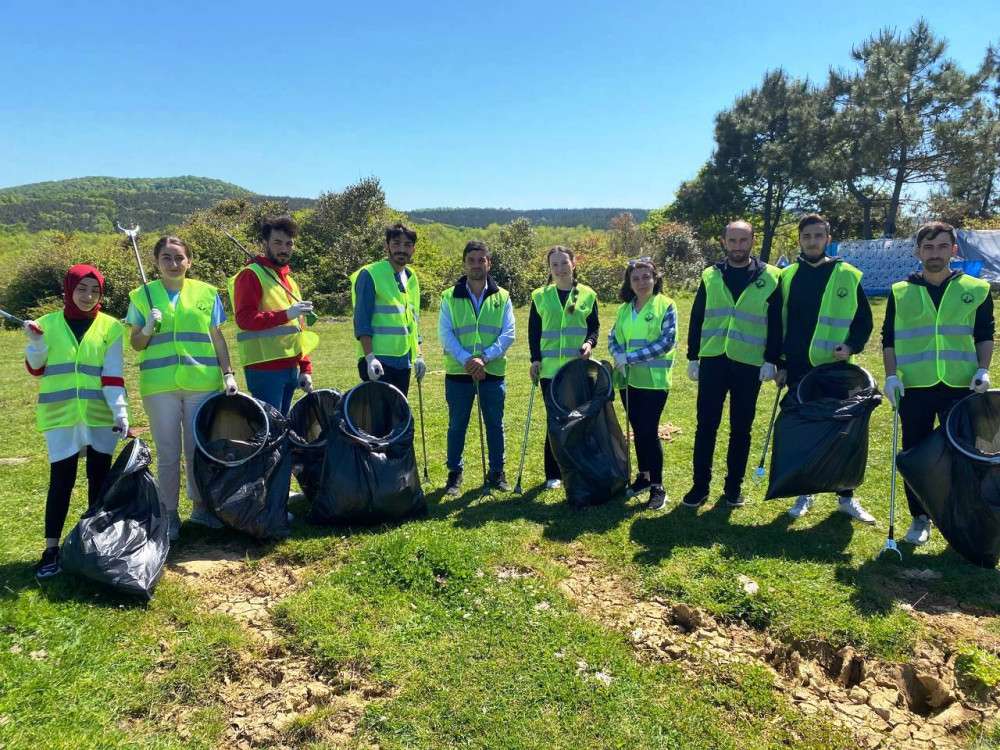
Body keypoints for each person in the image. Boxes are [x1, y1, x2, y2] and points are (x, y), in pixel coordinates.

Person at [882, 221, 994, 545]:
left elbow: (984, 334)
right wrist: (891, 376)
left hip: (961, 386)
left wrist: (983, 369)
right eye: (928, 247)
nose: (935, 253)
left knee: (964, 455)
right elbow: (888, 338)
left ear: (954, 250)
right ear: (918, 251)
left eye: (942, 246)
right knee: (915, 453)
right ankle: (920, 518)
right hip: (915, 387)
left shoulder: (975, 289)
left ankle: (962, 518)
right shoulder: (900, 292)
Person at [128, 236, 238, 538]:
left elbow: (217, 336)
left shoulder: (207, 293)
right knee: (167, 452)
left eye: (179, 258)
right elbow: (136, 343)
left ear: (189, 261)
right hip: (160, 385)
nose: (174, 264)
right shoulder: (142, 296)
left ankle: (201, 508)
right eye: (167, 258)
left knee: (196, 449)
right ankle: (169, 513)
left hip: (202, 382)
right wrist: (148, 328)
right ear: (156, 262)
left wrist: (228, 372)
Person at [24, 264, 129, 579]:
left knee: (100, 481)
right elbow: (36, 368)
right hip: (61, 416)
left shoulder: (111, 327)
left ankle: (95, 544)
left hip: (99, 415)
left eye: (94, 290)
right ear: (68, 290)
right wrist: (36, 344)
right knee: (61, 482)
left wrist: (120, 412)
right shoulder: (46, 324)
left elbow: (112, 374)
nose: (87, 296)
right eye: (81, 289)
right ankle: (51, 550)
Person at [776, 213, 876, 524]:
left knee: (842, 432)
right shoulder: (788, 275)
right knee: (805, 429)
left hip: (837, 368)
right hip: (799, 368)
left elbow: (864, 321)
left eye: (818, 236)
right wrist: (780, 362)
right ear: (800, 240)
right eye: (807, 236)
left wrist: (851, 346)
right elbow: (779, 323)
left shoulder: (847, 274)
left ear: (828, 239)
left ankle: (845, 496)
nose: (812, 241)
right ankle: (805, 491)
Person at [684, 220, 782, 508]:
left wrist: (771, 360)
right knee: (706, 426)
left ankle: (732, 488)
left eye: (743, 240)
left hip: (749, 364)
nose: (737, 246)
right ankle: (700, 486)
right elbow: (697, 317)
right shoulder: (710, 275)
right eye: (732, 241)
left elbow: (776, 324)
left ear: (752, 241)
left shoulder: (772, 277)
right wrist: (693, 357)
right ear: (724, 242)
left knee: (741, 428)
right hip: (713, 360)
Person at [439, 241, 515, 495]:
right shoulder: (449, 296)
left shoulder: (502, 296)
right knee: (457, 425)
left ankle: (497, 472)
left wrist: (484, 358)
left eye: (481, 260)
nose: (476, 265)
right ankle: (454, 474)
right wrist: (467, 361)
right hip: (459, 372)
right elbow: (446, 334)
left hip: (492, 372)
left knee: (495, 424)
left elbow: (508, 334)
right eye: (471, 260)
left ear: (488, 263)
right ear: (464, 263)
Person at [230, 215, 318, 415]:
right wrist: (286, 313)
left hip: (290, 367)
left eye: (289, 244)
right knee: (271, 432)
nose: (284, 249)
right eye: (277, 242)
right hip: (264, 368)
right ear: (265, 243)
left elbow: (299, 329)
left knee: (284, 428)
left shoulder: (290, 281)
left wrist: (305, 367)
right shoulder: (251, 275)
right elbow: (244, 320)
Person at [528, 246, 600, 490]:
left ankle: (579, 464)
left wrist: (589, 343)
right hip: (549, 371)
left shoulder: (588, 294)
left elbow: (594, 328)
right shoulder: (540, 295)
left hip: (577, 369)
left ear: (574, 263)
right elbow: (534, 331)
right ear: (550, 268)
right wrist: (535, 359)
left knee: (578, 420)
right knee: (555, 421)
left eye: (564, 263)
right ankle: (553, 472)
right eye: (554, 264)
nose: (559, 269)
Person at [608, 257, 676, 510]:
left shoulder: (665, 305)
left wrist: (630, 357)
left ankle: (658, 486)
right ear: (629, 282)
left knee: (648, 432)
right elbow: (613, 336)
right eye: (635, 278)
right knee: (638, 430)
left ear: (655, 278)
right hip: (628, 381)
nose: (641, 282)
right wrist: (617, 354)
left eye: (646, 277)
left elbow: (666, 342)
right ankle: (644, 478)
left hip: (653, 382)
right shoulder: (625, 308)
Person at [351, 223, 425, 396]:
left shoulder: (411, 277)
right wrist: (370, 358)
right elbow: (362, 321)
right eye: (396, 243)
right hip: (378, 360)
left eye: (407, 245)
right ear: (387, 246)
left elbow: (412, 321)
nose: (401, 249)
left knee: (398, 416)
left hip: (403, 360)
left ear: (413, 249)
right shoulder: (370, 274)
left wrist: (419, 355)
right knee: (380, 420)